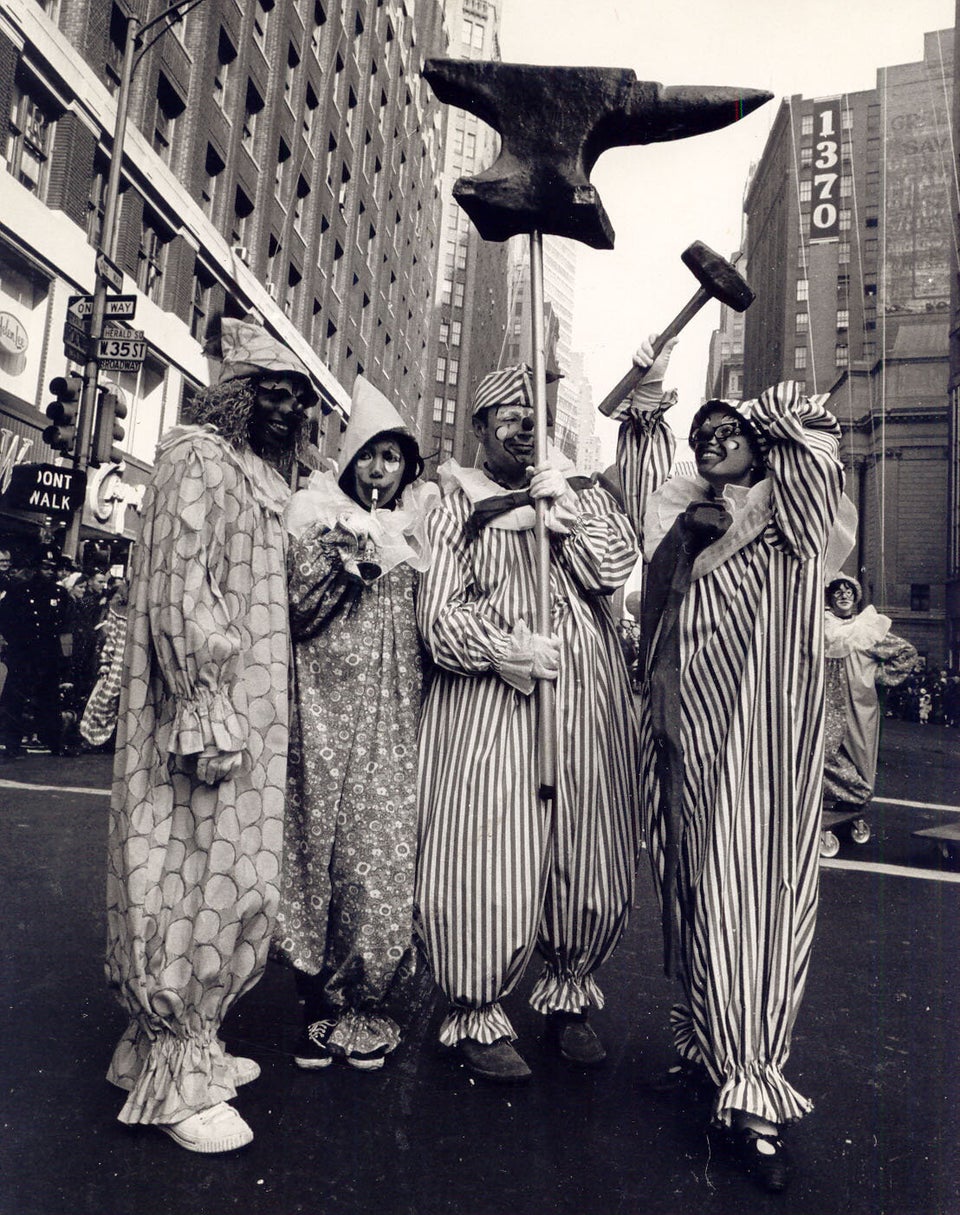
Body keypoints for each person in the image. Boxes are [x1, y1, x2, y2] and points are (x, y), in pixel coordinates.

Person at [614, 337, 849, 1194]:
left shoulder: (795, 514)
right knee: (689, 888)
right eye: (702, 429)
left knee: (750, 899)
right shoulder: (688, 516)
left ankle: (755, 1097)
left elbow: (816, 443)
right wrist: (649, 380)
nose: (712, 434)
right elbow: (636, 462)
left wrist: (772, 416)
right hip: (681, 737)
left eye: (731, 426)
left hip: (757, 752)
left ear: (765, 438)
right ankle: (709, 1047)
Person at [105, 316, 316, 1153]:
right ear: (235, 394)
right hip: (206, 717)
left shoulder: (262, 480)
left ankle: (178, 1047)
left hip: (247, 716)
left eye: (297, 397)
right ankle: (175, 1065)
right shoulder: (198, 457)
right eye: (271, 390)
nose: (286, 408)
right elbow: (179, 587)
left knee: (231, 876)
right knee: (186, 873)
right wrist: (204, 700)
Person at [416, 364, 641, 1083]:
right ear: (477, 428)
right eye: (504, 414)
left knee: (588, 847)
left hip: (586, 701)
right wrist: (503, 648)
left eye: (531, 413)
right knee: (488, 849)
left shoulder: (579, 493)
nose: (521, 424)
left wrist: (566, 521)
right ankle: (477, 1006)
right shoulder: (452, 502)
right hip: (495, 702)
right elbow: (437, 619)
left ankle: (570, 993)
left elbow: (616, 565)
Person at [274, 376, 438, 1072]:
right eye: (369, 455)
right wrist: (341, 557)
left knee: (379, 858)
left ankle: (367, 1003)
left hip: (392, 716)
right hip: (323, 710)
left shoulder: (421, 535)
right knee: (320, 854)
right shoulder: (315, 519)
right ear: (349, 460)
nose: (379, 468)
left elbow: (433, 628)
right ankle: (317, 1001)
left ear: (407, 470)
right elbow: (299, 615)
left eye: (392, 457)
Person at [823, 576, 917, 811]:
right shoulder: (822, 627)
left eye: (849, 592)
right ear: (829, 598)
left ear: (855, 599)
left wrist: (876, 677)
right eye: (838, 592)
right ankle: (851, 793)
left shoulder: (866, 628)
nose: (843, 595)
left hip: (858, 702)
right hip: (825, 700)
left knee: (859, 752)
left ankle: (855, 795)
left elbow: (907, 652)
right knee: (819, 750)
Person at [0, 547, 72, 759]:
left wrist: (65, 658)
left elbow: (65, 628)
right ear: (36, 567)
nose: (49, 572)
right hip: (24, 653)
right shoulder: (20, 590)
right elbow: (4, 619)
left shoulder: (60, 594)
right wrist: (14, 644)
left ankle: (53, 741)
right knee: (15, 698)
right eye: (45, 567)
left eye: (53, 568)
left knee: (49, 698)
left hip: (48, 654)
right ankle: (11, 745)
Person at [79, 577, 130, 750]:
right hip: (118, 660)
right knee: (106, 698)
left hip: (135, 661)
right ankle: (95, 739)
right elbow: (112, 639)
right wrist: (106, 662)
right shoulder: (117, 611)